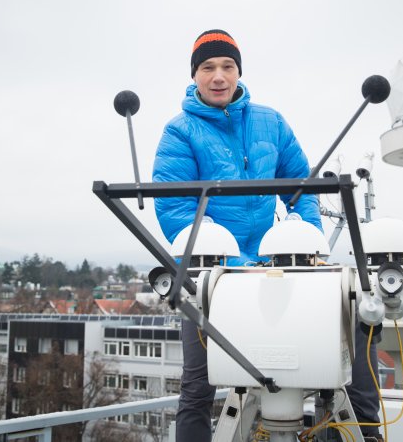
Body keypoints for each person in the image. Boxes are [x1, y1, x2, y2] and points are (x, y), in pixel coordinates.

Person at [152, 29, 382, 442]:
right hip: (213, 273)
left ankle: (368, 431)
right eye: (208, 68)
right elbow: (175, 211)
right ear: (195, 75)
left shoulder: (270, 122)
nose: (218, 76)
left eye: (227, 66)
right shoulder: (179, 133)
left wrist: (304, 243)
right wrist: (225, 262)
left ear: (239, 72)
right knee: (197, 383)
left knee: (359, 326)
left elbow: (301, 189)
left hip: (278, 266)